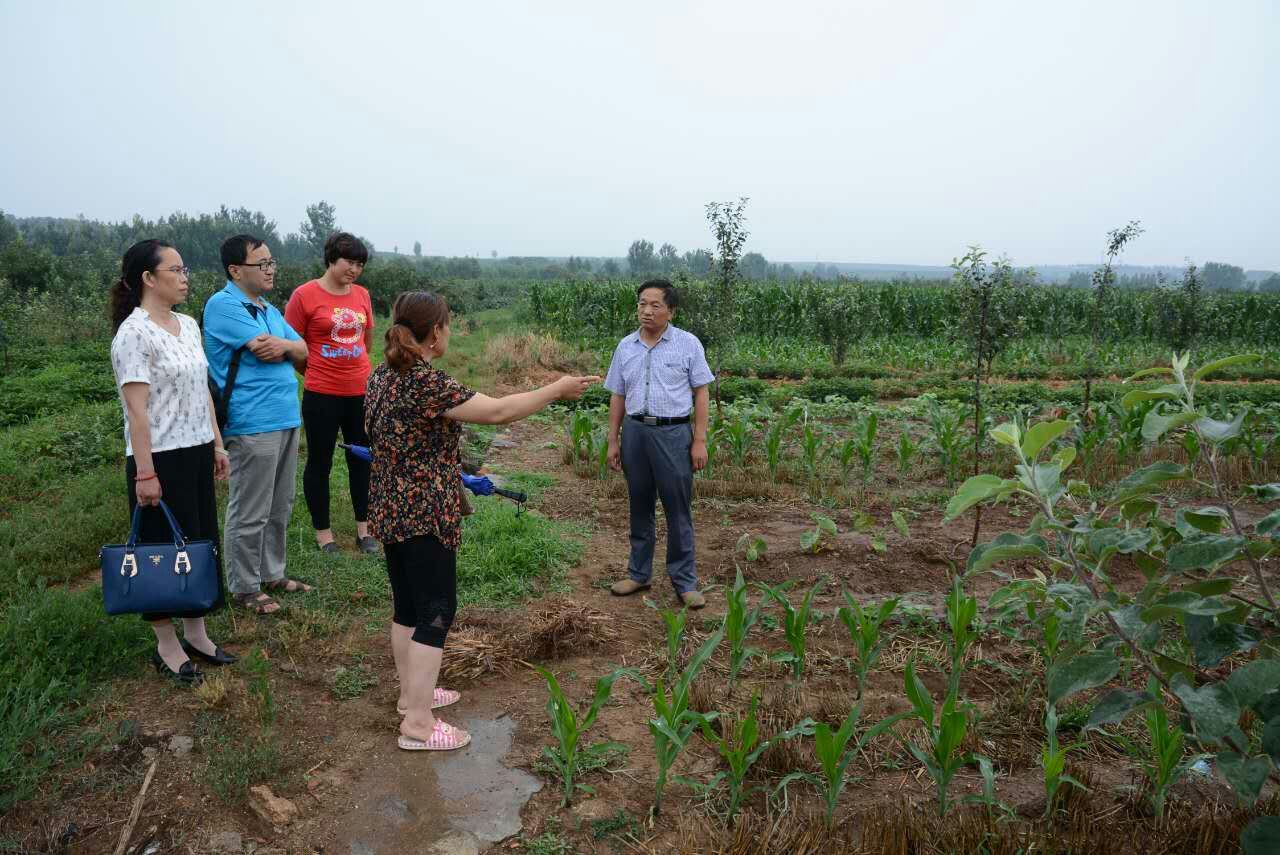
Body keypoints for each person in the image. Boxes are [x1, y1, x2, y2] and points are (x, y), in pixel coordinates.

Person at [367, 291, 598, 751]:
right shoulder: (424, 382)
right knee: (436, 611)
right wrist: (557, 388)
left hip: (390, 504)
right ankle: (417, 723)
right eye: (447, 326)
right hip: (425, 510)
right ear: (435, 333)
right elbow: (496, 411)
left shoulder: (383, 376)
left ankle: (411, 696)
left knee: (407, 609)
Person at [108, 239, 236, 684]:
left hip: (196, 449)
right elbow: (137, 413)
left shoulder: (187, 324)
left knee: (198, 541)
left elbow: (202, 391)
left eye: (185, 269)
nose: (185, 277)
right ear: (148, 278)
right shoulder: (134, 333)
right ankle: (167, 645)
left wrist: (217, 445)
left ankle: (197, 634)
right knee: (160, 550)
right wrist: (145, 473)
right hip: (158, 458)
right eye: (176, 270)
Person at [203, 234, 310, 615]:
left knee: (280, 503)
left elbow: (303, 350)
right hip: (251, 422)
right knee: (251, 507)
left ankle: (272, 572)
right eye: (261, 264)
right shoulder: (223, 305)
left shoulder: (267, 308)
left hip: (285, 416)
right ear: (235, 270)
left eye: (271, 262)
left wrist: (286, 347)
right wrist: (286, 348)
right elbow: (264, 350)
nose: (270, 269)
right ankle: (245, 586)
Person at [604, 279, 712, 610]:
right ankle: (639, 573)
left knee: (677, 508)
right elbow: (618, 395)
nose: (646, 311)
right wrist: (613, 439)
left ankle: (684, 581)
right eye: (641, 304)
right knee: (639, 504)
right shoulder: (626, 346)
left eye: (655, 305)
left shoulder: (688, 344)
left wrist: (699, 440)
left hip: (673, 434)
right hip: (636, 432)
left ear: (671, 310)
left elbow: (701, 392)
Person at [284, 232, 376, 554]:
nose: (355, 269)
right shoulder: (304, 295)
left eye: (360, 264)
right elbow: (293, 345)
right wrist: (315, 372)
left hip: (361, 392)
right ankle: (324, 535)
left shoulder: (362, 295)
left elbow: (367, 340)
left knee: (362, 459)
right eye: (349, 262)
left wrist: (357, 369)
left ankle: (365, 531)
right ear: (331, 259)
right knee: (320, 462)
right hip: (321, 393)